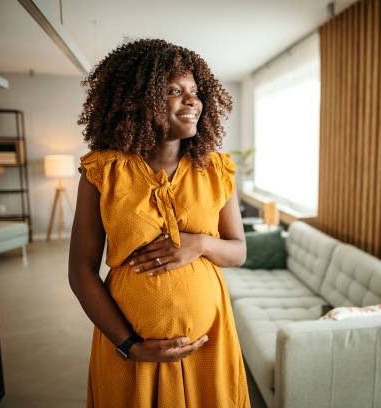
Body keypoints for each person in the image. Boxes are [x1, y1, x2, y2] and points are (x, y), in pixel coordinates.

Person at [68, 39, 251, 407]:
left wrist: (201, 244)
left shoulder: (217, 170)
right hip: (134, 350)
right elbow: (81, 272)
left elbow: (238, 252)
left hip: (208, 346)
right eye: (174, 91)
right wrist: (130, 346)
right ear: (138, 99)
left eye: (195, 91)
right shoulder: (103, 171)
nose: (191, 100)